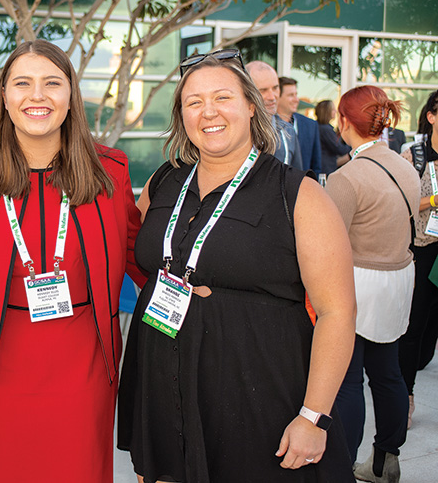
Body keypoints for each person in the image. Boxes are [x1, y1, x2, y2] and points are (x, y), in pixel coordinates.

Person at [118, 49, 357, 483]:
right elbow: (142, 256)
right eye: (193, 102)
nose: (208, 111)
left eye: (222, 97)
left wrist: (314, 416)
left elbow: (337, 312)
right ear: (182, 115)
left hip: (258, 392)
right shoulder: (163, 182)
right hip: (162, 380)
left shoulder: (298, 195)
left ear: (251, 105)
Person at [0, 39, 145, 483]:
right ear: (4, 95)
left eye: (51, 83)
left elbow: (142, 254)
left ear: (70, 94)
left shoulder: (110, 170)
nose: (37, 96)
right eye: (23, 83)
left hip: (84, 371)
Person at [326, 86, 420, 483]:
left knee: (347, 379)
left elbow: (327, 246)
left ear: (345, 122)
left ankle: (341, 467)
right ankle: (385, 460)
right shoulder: (405, 166)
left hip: (357, 284)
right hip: (399, 280)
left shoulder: (346, 178)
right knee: (388, 374)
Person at [398, 89, 438, 431]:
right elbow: (407, 203)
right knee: (415, 326)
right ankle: (406, 397)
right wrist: (434, 199)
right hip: (424, 248)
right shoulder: (415, 155)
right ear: (431, 116)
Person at [246, 60, 303, 169]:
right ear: (247, 92)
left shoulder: (287, 131)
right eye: (263, 90)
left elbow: (297, 175)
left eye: (275, 88)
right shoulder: (235, 132)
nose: (272, 97)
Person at [278, 76, 322, 175]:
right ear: (278, 97)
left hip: (304, 187)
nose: (296, 99)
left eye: (296, 95)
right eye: (290, 95)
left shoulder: (311, 125)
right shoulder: (267, 125)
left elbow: (316, 166)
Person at [316, 100, 351, 176]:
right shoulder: (325, 129)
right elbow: (339, 148)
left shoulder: (319, 127)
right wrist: (353, 146)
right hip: (327, 169)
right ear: (327, 112)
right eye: (333, 109)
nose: (335, 111)